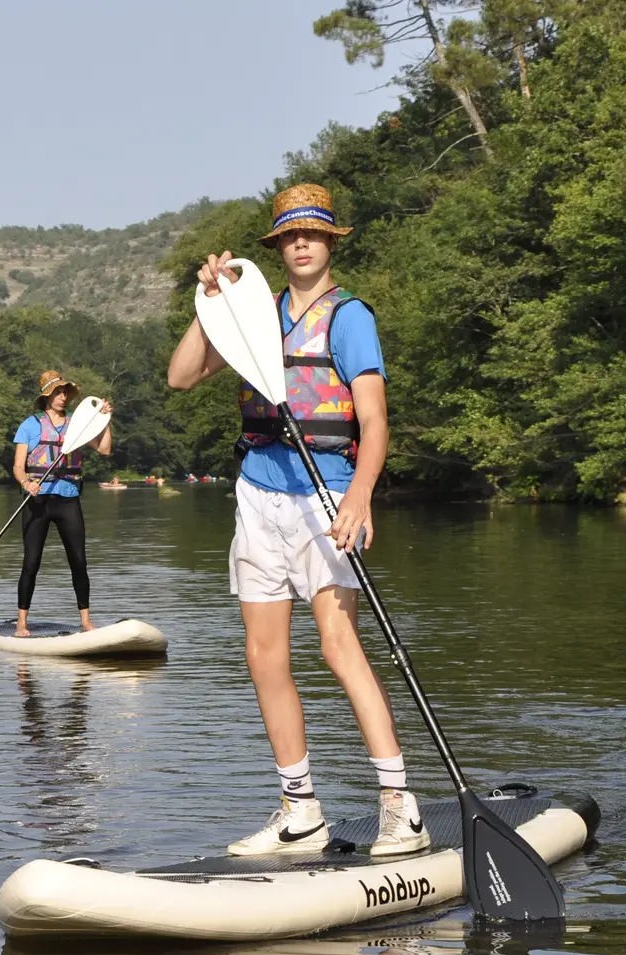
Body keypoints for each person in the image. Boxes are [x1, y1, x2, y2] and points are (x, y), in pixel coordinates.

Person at [167, 183, 428, 857]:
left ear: (330, 242)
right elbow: (181, 376)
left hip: (328, 491)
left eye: (313, 233)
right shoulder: (255, 315)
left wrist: (362, 496)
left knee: (339, 646)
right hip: (258, 492)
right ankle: (300, 810)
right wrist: (211, 304)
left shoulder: (350, 317)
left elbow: (374, 420)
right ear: (278, 247)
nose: (302, 243)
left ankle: (399, 807)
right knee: (263, 654)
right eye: (290, 235)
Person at [11, 371, 110, 637]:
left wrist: (104, 420)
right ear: (47, 396)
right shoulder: (30, 425)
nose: (63, 396)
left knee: (79, 561)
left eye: (65, 392)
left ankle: (86, 622)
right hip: (38, 499)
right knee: (31, 562)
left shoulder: (77, 425)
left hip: (68, 498)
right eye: (57, 392)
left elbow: (104, 449)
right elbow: (18, 467)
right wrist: (26, 483)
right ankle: (21, 624)